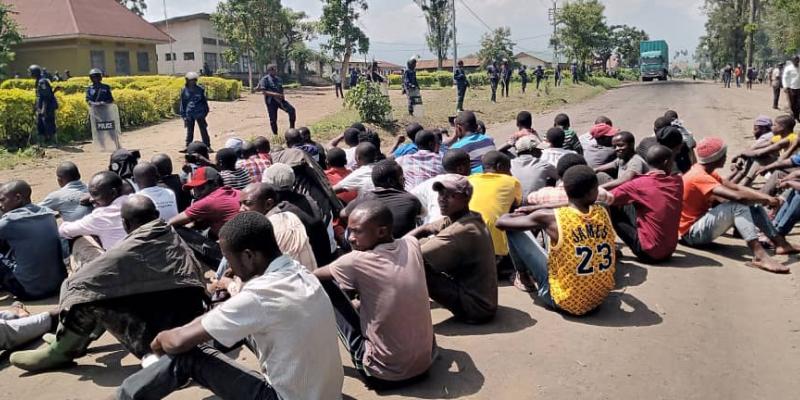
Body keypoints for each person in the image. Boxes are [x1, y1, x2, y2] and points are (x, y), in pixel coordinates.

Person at [116, 211, 342, 399]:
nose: (229, 268)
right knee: (223, 327)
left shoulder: (259, 296)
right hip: (326, 393)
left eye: (229, 258)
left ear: (248, 256)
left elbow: (178, 342)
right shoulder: (298, 271)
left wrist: (159, 341)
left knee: (190, 355)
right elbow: (222, 315)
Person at [10, 196, 208, 373]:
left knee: (90, 297)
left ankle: (60, 351)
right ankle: (72, 340)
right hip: (192, 324)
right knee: (106, 286)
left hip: (164, 333)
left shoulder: (133, 247)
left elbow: (79, 283)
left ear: (125, 223)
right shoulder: (168, 234)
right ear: (156, 214)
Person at [314, 201, 434, 389]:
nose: (350, 238)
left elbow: (314, 275)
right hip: (425, 364)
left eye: (357, 231)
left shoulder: (355, 261)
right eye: (349, 231)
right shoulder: (411, 245)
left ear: (381, 232)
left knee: (328, 288)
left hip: (383, 374)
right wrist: (424, 229)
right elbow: (408, 237)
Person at [496, 165, 617, 316]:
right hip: (598, 298)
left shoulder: (551, 217)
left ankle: (523, 277)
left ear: (566, 190)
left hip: (563, 302)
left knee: (513, 230)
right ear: (593, 191)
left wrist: (525, 213)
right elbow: (574, 205)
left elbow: (500, 223)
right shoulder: (603, 210)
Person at [679, 137, 797, 274]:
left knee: (753, 205)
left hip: (700, 225)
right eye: (724, 154)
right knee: (737, 205)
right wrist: (766, 200)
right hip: (690, 234)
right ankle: (760, 256)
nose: (726, 157)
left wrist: (766, 197)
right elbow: (737, 196)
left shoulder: (705, 171)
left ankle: (781, 244)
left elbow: (736, 187)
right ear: (716, 157)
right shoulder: (699, 176)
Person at [407, 174, 497, 323]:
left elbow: (413, 256)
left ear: (466, 198)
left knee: (413, 265)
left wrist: (390, 251)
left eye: (451, 195)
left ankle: (395, 307)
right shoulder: (465, 216)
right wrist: (397, 245)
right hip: (479, 300)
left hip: (476, 309)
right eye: (441, 194)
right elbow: (425, 228)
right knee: (420, 243)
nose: (442, 199)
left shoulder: (463, 229)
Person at [608, 145, 683, 263]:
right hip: (669, 250)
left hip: (648, 253)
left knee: (611, 206)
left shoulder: (638, 184)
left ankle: (607, 248)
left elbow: (607, 198)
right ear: (666, 162)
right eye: (672, 162)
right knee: (634, 200)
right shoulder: (678, 182)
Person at [0, 181, 65, 300]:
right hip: (56, 287)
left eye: (2, 200)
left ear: (18, 198)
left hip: (29, 291)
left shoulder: (9, 222)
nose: (0, 205)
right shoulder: (48, 214)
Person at [239, 183, 317, 270]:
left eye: (248, 203)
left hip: (291, 281)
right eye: (240, 204)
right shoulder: (289, 215)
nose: (241, 209)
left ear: (268, 204)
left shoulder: (267, 230)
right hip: (308, 279)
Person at [342, 160, 423, 238]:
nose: (404, 181)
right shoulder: (411, 199)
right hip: (403, 247)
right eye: (402, 178)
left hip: (369, 248)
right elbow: (422, 214)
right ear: (391, 181)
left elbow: (343, 214)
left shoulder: (363, 198)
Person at [468, 151, 522, 259]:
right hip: (493, 243)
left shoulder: (470, 179)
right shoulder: (512, 181)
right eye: (508, 168)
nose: (510, 172)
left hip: (466, 233)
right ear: (499, 166)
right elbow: (516, 205)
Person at [59, 171, 129, 251]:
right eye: (91, 194)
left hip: (119, 261)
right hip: (142, 256)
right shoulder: (136, 200)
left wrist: (65, 224)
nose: (91, 199)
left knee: (82, 239)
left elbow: (65, 231)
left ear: (113, 192)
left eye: (95, 194)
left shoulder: (102, 216)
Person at [169, 166, 240, 240]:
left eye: (201, 188)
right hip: (245, 242)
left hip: (234, 247)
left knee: (180, 231)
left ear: (215, 184)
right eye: (195, 189)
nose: (197, 194)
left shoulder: (209, 201)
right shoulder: (236, 192)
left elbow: (170, 223)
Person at [527, 153, 614, 206]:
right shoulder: (598, 193)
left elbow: (530, 198)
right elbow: (610, 199)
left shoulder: (543, 194)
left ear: (559, 174)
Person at [412, 149, 471, 225]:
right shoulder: (468, 183)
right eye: (469, 165)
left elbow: (409, 199)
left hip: (431, 233)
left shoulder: (430, 183)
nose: (471, 169)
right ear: (461, 169)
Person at [729, 116, 777, 186]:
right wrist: (743, 157)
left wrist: (739, 156)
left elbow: (754, 149)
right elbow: (753, 149)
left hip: (774, 162)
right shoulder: (767, 135)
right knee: (752, 157)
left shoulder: (768, 136)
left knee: (759, 159)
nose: (753, 132)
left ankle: (744, 183)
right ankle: (733, 183)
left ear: (763, 129)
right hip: (770, 160)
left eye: (755, 129)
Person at [257, 64, 296, 136]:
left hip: (280, 101)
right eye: (273, 69)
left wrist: (282, 96)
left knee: (292, 110)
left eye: (275, 69)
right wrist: (276, 95)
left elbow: (281, 89)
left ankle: (292, 130)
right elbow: (264, 92)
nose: (275, 71)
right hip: (271, 102)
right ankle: (275, 135)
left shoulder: (278, 79)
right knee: (273, 119)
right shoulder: (265, 79)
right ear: (269, 71)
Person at [180, 71, 211, 149]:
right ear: (187, 80)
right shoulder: (184, 91)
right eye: (190, 80)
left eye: (194, 80)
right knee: (190, 131)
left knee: (203, 130)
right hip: (189, 114)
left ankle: (207, 146)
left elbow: (204, 102)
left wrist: (205, 112)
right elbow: (183, 103)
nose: (192, 82)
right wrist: (183, 116)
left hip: (200, 113)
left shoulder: (200, 90)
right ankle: (188, 146)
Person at [30, 64, 58, 143]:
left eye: (31, 72)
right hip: (42, 106)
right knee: (41, 124)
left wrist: (43, 109)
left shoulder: (42, 82)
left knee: (48, 123)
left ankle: (53, 141)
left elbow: (46, 97)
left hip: (47, 107)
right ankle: (45, 141)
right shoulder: (38, 80)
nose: (30, 74)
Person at [783, 56, 800, 122]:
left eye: (798, 61)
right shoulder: (788, 68)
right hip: (791, 88)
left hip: (799, 88)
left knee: (798, 103)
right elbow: (784, 77)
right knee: (792, 103)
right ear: (792, 61)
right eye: (796, 61)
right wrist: (785, 86)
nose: (797, 62)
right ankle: (792, 117)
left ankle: (797, 116)